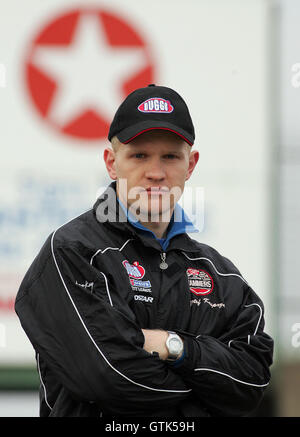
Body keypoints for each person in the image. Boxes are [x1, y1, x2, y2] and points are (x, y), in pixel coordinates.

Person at [15, 84, 273, 417]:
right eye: (139, 155)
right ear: (112, 162)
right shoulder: (72, 251)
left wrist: (173, 346)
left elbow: (252, 382)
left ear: (190, 165)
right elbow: (107, 378)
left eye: (170, 156)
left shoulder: (222, 276)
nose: (155, 172)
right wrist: (207, 389)